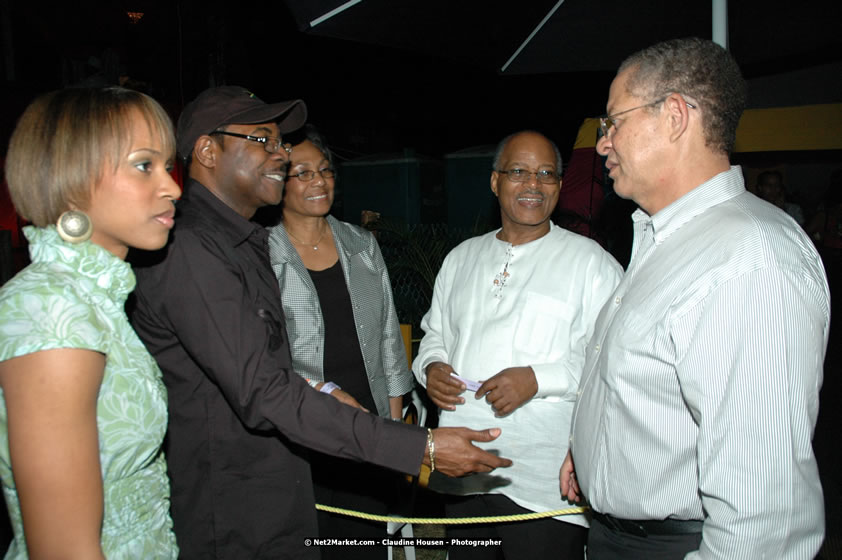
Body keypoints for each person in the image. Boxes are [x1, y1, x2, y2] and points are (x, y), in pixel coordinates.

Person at [130, 86, 512, 559]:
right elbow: (264, 391)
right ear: (208, 150)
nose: (280, 155)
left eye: (281, 143)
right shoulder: (193, 249)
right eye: (263, 140)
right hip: (233, 514)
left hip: (282, 487)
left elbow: (269, 365)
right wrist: (418, 447)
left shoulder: (242, 242)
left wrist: (334, 396)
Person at [562, 37, 829, 559]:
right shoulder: (671, 240)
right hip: (620, 536)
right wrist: (593, 448)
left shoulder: (747, 260)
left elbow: (764, 518)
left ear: (676, 117)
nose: (602, 143)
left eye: (614, 122)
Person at [413, 130, 622, 559]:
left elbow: (612, 360)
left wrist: (537, 379)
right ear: (495, 182)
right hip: (464, 465)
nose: (533, 184)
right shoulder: (461, 257)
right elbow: (435, 333)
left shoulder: (592, 264)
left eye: (546, 173)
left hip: (545, 481)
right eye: (519, 172)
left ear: (560, 187)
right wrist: (431, 367)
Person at [0, 87, 181, 558]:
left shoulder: (92, 299)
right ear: (71, 176)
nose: (172, 187)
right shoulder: (49, 309)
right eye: (145, 165)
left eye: (167, 165)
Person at [266, 125, 412, 559]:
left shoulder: (361, 243)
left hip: (362, 424)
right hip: (298, 426)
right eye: (303, 173)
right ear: (278, 181)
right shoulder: (259, 252)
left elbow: (389, 336)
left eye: (325, 170)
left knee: (360, 544)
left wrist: (392, 425)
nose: (319, 181)